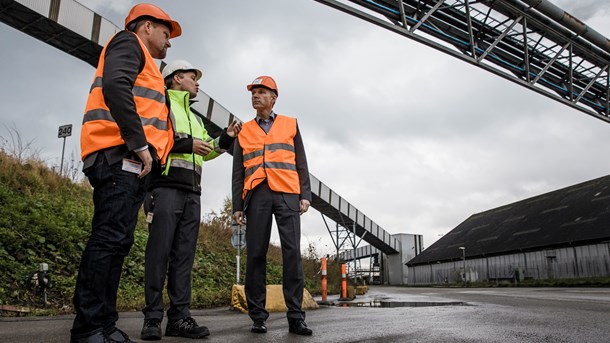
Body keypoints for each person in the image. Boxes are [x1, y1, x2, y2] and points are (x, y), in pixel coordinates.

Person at [72, 4, 181, 343]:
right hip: (119, 154)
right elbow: (116, 88)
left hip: (133, 164)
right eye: (166, 33)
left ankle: (105, 324)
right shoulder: (127, 43)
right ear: (146, 26)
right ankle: (87, 327)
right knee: (108, 240)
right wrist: (139, 143)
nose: (169, 42)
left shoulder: (147, 63)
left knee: (118, 242)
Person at [140, 60, 242, 340]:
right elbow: (151, 140)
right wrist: (186, 145)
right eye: (191, 77)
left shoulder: (195, 118)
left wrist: (226, 139)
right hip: (164, 189)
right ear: (175, 79)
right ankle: (151, 319)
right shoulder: (162, 107)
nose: (197, 82)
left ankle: (179, 319)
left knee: (183, 258)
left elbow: (205, 152)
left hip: (192, 194)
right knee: (158, 255)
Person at [232, 76, 313, 336]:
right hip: (257, 195)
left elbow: (301, 161)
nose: (256, 96)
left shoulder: (290, 124)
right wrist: (238, 206)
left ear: (273, 97)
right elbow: (237, 171)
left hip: (288, 194)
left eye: (261, 92)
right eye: (254, 92)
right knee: (256, 254)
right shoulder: (242, 130)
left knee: (292, 254)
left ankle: (296, 317)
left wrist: (305, 194)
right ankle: (257, 316)